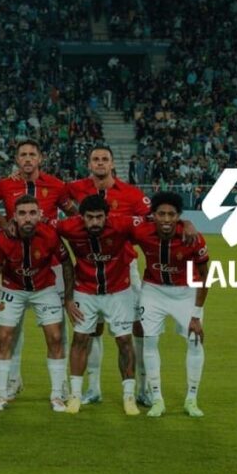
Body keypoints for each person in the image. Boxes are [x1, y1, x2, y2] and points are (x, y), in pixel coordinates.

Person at [0, 140, 78, 400]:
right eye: (23, 155)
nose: (27, 159)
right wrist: (5, 224)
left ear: (40, 158)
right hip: (15, 267)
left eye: (32, 155)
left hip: (51, 267)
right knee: (12, 329)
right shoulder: (6, 184)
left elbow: (74, 214)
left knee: (59, 328)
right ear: (17, 159)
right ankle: (12, 382)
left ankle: (63, 385)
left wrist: (54, 228)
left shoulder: (57, 185)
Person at [67, 145, 152, 405]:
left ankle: (143, 388)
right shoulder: (74, 189)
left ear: (112, 163)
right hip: (91, 268)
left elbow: (152, 225)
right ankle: (93, 389)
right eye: (95, 159)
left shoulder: (132, 195)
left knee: (138, 327)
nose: (100, 163)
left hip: (125, 268)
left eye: (105, 159)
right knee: (92, 328)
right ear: (89, 163)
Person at [0, 195, 75, 412]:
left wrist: (68, 299)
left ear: (40, 215)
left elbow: (67, 264)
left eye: (32, 213)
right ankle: (1, 395)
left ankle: (57, 395)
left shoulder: (50, 235)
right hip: (12, 289)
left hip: (44, 289)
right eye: (22, 213)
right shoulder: (3, 239)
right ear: (14, 216)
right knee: (4, 337)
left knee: (55, 337)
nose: (28, 218)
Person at [56, 194, 140, 416]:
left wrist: (187, 223)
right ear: (80, 217)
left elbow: (155, 224)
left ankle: (129, 397)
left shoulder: (122, 223)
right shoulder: (68, 226)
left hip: (119, 292)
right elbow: (42, 225)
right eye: (90, 218)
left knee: (124, 341)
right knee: (80, 338)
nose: (95, 222)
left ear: (107, 216)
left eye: (99, 217)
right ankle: (75, 395)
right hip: (85, 291)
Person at [130, 192, 209, 418]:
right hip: (153, 291)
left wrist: (196, 314)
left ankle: (191, 399)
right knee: (150, 341)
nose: (166, 219)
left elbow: (205, 276)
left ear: (178, 216)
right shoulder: (141, 231)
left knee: (195, 342)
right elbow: (120, 224)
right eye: (161, 214)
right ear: (152, 215)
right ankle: (157, 399)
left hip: (186, 294)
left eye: (172, 215)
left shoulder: (193, 238)